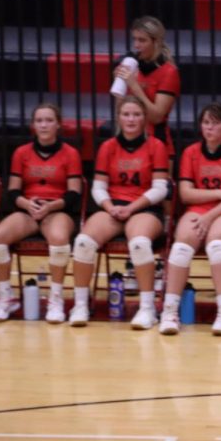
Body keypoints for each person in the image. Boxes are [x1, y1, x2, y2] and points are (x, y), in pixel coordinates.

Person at [68, 96, 168, 329]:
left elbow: (161, 188)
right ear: (118, 118)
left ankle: (147, 308)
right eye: (126, 114)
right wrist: (109, 207)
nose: (131, 119)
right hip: (113, 207)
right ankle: (81, 304)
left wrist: (132, 208)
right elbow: (98, 187)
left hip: (144, 208)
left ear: (144, 119)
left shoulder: (156, 146)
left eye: (136, 114)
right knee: (83, 242)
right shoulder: (108, 147)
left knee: (140, 244)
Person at [0, 103, 82, 324]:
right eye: (39, 121)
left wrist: (50, 207)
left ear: (58, 125)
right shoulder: (22, 153)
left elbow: (74, 193)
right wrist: (27, 204)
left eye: (49, 120)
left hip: (57, 209)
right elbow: (12, 191)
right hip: (28, 209)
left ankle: (56, 299)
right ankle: (5, 297)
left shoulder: (70, 153)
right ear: (33, 125)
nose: (44, 125)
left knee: (59, 239)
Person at [158, 101, 221, 336]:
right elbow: (186, 193)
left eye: (215, 123)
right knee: (180, 248)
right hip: (199, 210)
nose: (209, 128)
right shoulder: (191, 153)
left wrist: (211, 214)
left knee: (217, 245)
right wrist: (220, 193)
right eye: (206, 122)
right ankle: (169, 312)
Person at [112, 16, 181, 164]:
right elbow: (120, 111)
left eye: (142, 40)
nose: (136, 45)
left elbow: (157, 117)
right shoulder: (133, 67)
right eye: (134, 39)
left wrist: (134, 87)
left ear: (156, 42)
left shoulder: (169, 72)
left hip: (157, 143)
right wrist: (120, 86)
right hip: (129, 141)